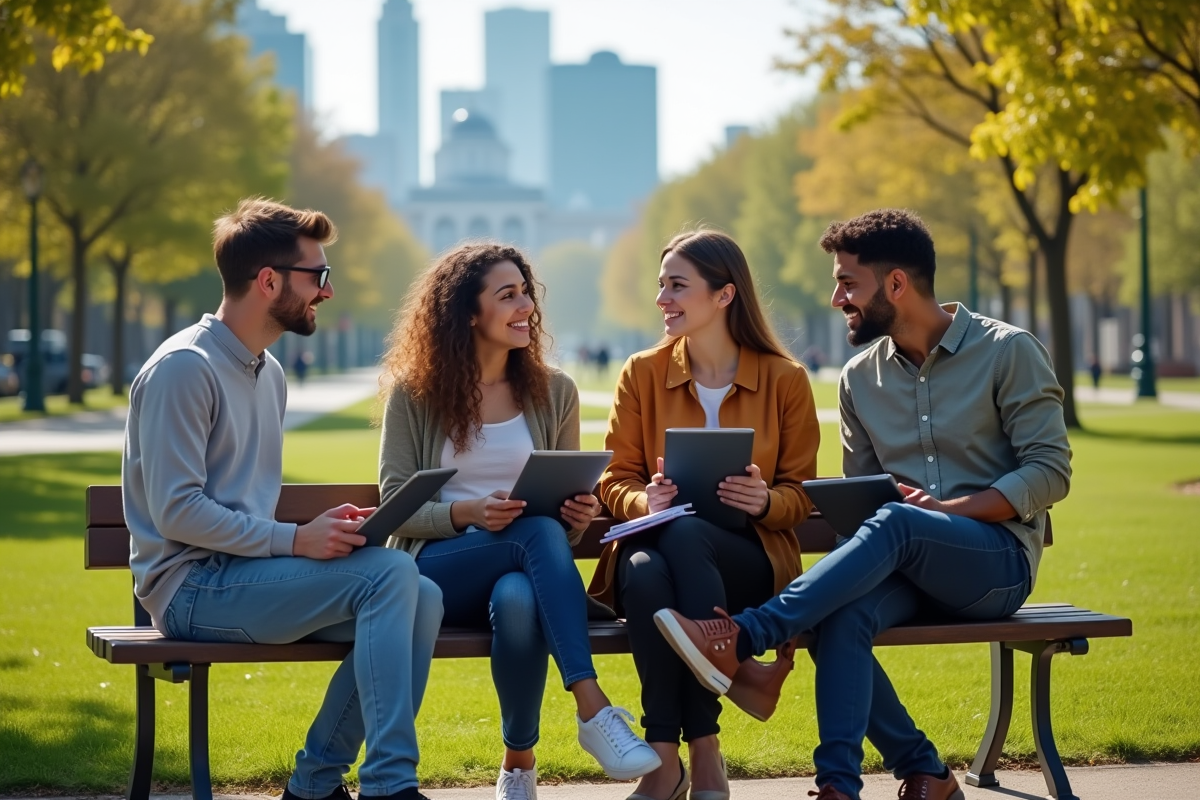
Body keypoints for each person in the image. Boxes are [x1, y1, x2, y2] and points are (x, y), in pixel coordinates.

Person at [654, 210, 1072, 800]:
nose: (836, 298)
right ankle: (866, 783)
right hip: (905, 566)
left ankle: (746, 635)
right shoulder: (858, 379)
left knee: (903, 522)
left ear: (896, 284)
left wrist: (952, 511)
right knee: (835, 614)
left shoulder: (1007, 352)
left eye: (848, 283)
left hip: (996, 564)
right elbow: (864, 501)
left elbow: (1050, 471)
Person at [123, 198, 443, 800]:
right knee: (392, 576)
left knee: (421, 594)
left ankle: (315, 786)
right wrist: (295, 540)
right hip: (190, 590)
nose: (326, 291)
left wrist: (314, 530)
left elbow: (244, 506)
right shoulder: (183, 370)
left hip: (245, 573)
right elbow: (177, 511)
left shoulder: (268, 373)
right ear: (268, 281)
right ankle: (390, 786)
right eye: (317, 276)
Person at [378, 242, 661, 800]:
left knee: (517, 597)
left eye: (526, 292)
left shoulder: (555, 391)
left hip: (526, 568)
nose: (525, 305)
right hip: (436, 571)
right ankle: (592, 706)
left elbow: (566, 509)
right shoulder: (414, 393)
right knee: (533, 534)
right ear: (467, 312)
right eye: (506, 295)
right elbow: (396, 501)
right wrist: (468, 512)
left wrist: (577, 515)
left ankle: (519, 766)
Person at [589, 229, 820, 800]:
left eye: (677, 286)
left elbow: (806, 493)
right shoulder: (642, 372)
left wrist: (766, 501)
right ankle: (695, 747)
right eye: (661, 285)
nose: (662, 298)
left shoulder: (785, 380)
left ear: (724, 295)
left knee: (679, 542)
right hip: (665, 559)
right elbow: (613, 479)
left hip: (753, 564)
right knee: (645, 573)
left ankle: (668, 766)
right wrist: (648, 501)